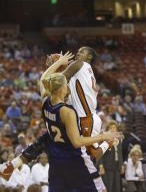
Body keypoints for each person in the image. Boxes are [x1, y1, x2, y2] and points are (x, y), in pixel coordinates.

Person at [0, 53, 120, 192]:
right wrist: (103, 137)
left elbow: (43, 79)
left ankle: (12, 165)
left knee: (46, 138)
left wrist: (57, 64)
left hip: (56, 159)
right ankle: (12, 165)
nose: (68, 85)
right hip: (75, 159)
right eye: (66, 83)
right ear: (61, 88)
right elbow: (76, 142)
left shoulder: (45, 101)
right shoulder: (67, 111)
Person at [47, 47, 106, 158]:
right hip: (83, 117)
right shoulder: (85, 71)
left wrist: (54, 66)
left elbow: (58, 80)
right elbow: (66, 90)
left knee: (92, 155)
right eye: (78, 51)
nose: (78, 53)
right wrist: (60, 66)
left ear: (89, 57)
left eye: (82, 52)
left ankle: (109, 140)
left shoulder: (79, 64)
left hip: (86, 119)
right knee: (77, 157)